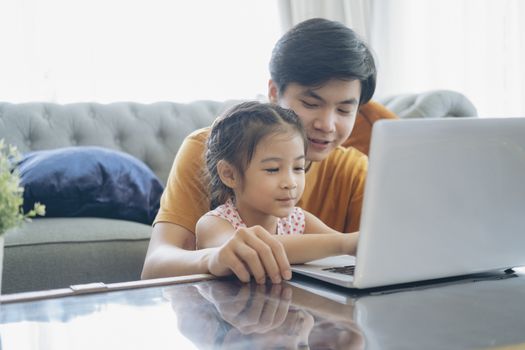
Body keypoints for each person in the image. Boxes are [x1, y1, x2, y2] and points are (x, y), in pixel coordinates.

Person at [141, 18, 397, 283]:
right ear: (274, 92)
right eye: (311, 103)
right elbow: (155, 266)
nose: (327, 125)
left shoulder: (353, 170)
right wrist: (212, 258)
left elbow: (377, 252)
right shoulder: (212, 150)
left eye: (344, 110)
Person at [196, 101, 358, 283]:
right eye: (273, 169)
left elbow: (349, 247)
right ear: (229, 174)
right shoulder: (214, 224)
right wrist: (345, 243)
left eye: (298, 168)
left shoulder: (297, 220)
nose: (290, 183)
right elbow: (252, 250)